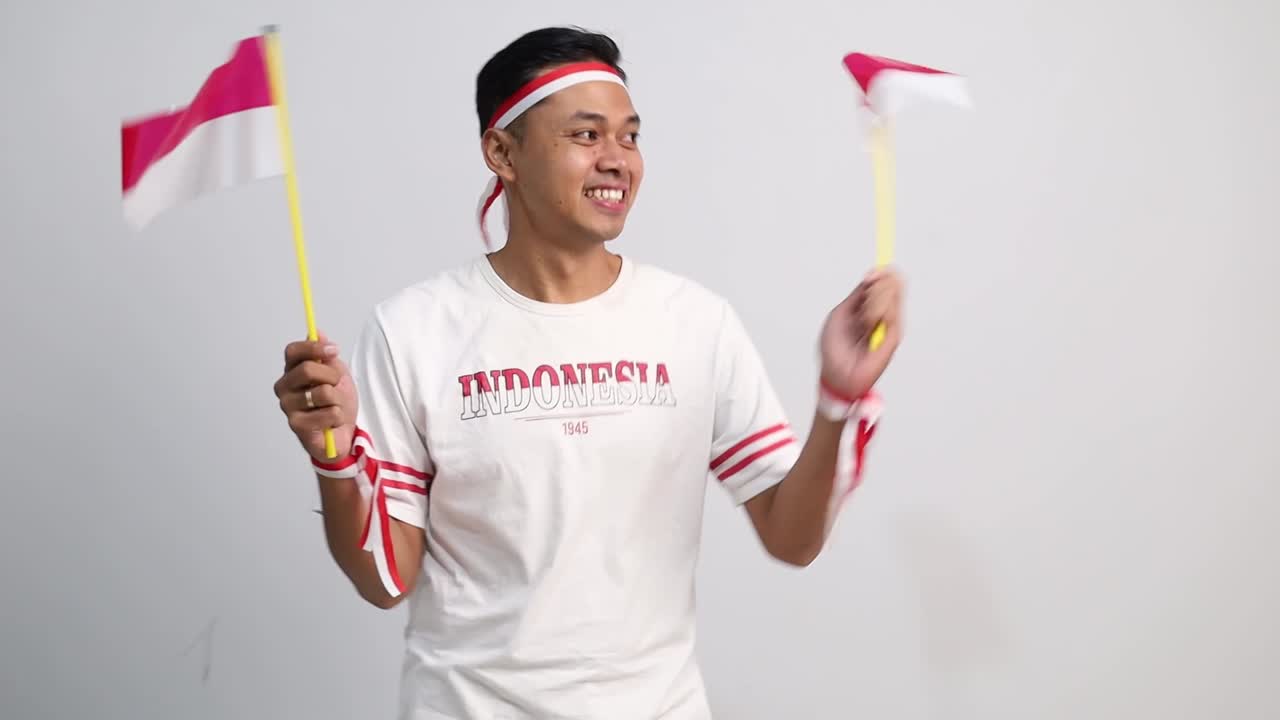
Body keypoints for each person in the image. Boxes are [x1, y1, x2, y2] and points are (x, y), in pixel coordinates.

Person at [272, 25, 903, 720]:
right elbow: (386, 579)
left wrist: (838, 399)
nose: (617, 161)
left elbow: (792, 537)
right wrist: (333, 461)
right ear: (501, 152)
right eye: (586, 135)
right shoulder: (414, 330)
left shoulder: (694, 322)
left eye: (629, 137)